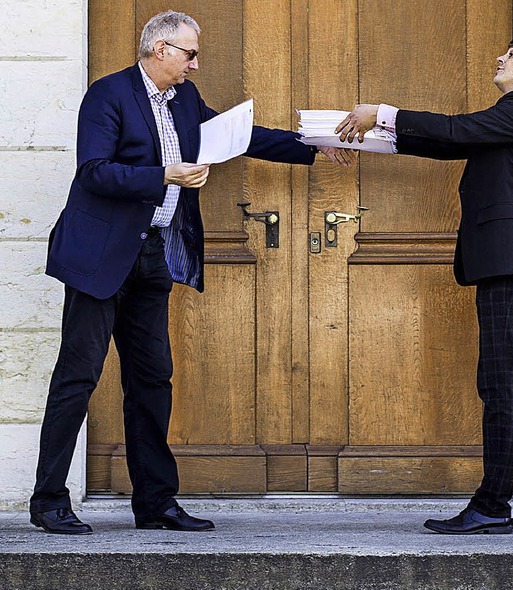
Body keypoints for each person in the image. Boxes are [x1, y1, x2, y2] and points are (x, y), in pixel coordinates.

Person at [30, 10, 351, 535]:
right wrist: (165, 174)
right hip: (98, 258)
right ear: (159, 49)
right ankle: (48, 502)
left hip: (154, 256)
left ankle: (155, 504)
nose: (195, 64)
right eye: (189, 53)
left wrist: (317, 146)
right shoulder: (107, 95)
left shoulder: (185, 102)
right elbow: (94, 172)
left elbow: (241, 136)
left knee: (152, 380)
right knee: (77, 377)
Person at [337, 35, 513, 534]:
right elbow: (449, 142)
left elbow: (456, 128)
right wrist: (367, 134)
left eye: (511, 55)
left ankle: (492, 504)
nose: (500, 58)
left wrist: (381, 110)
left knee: (501, 383)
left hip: (512, 267)